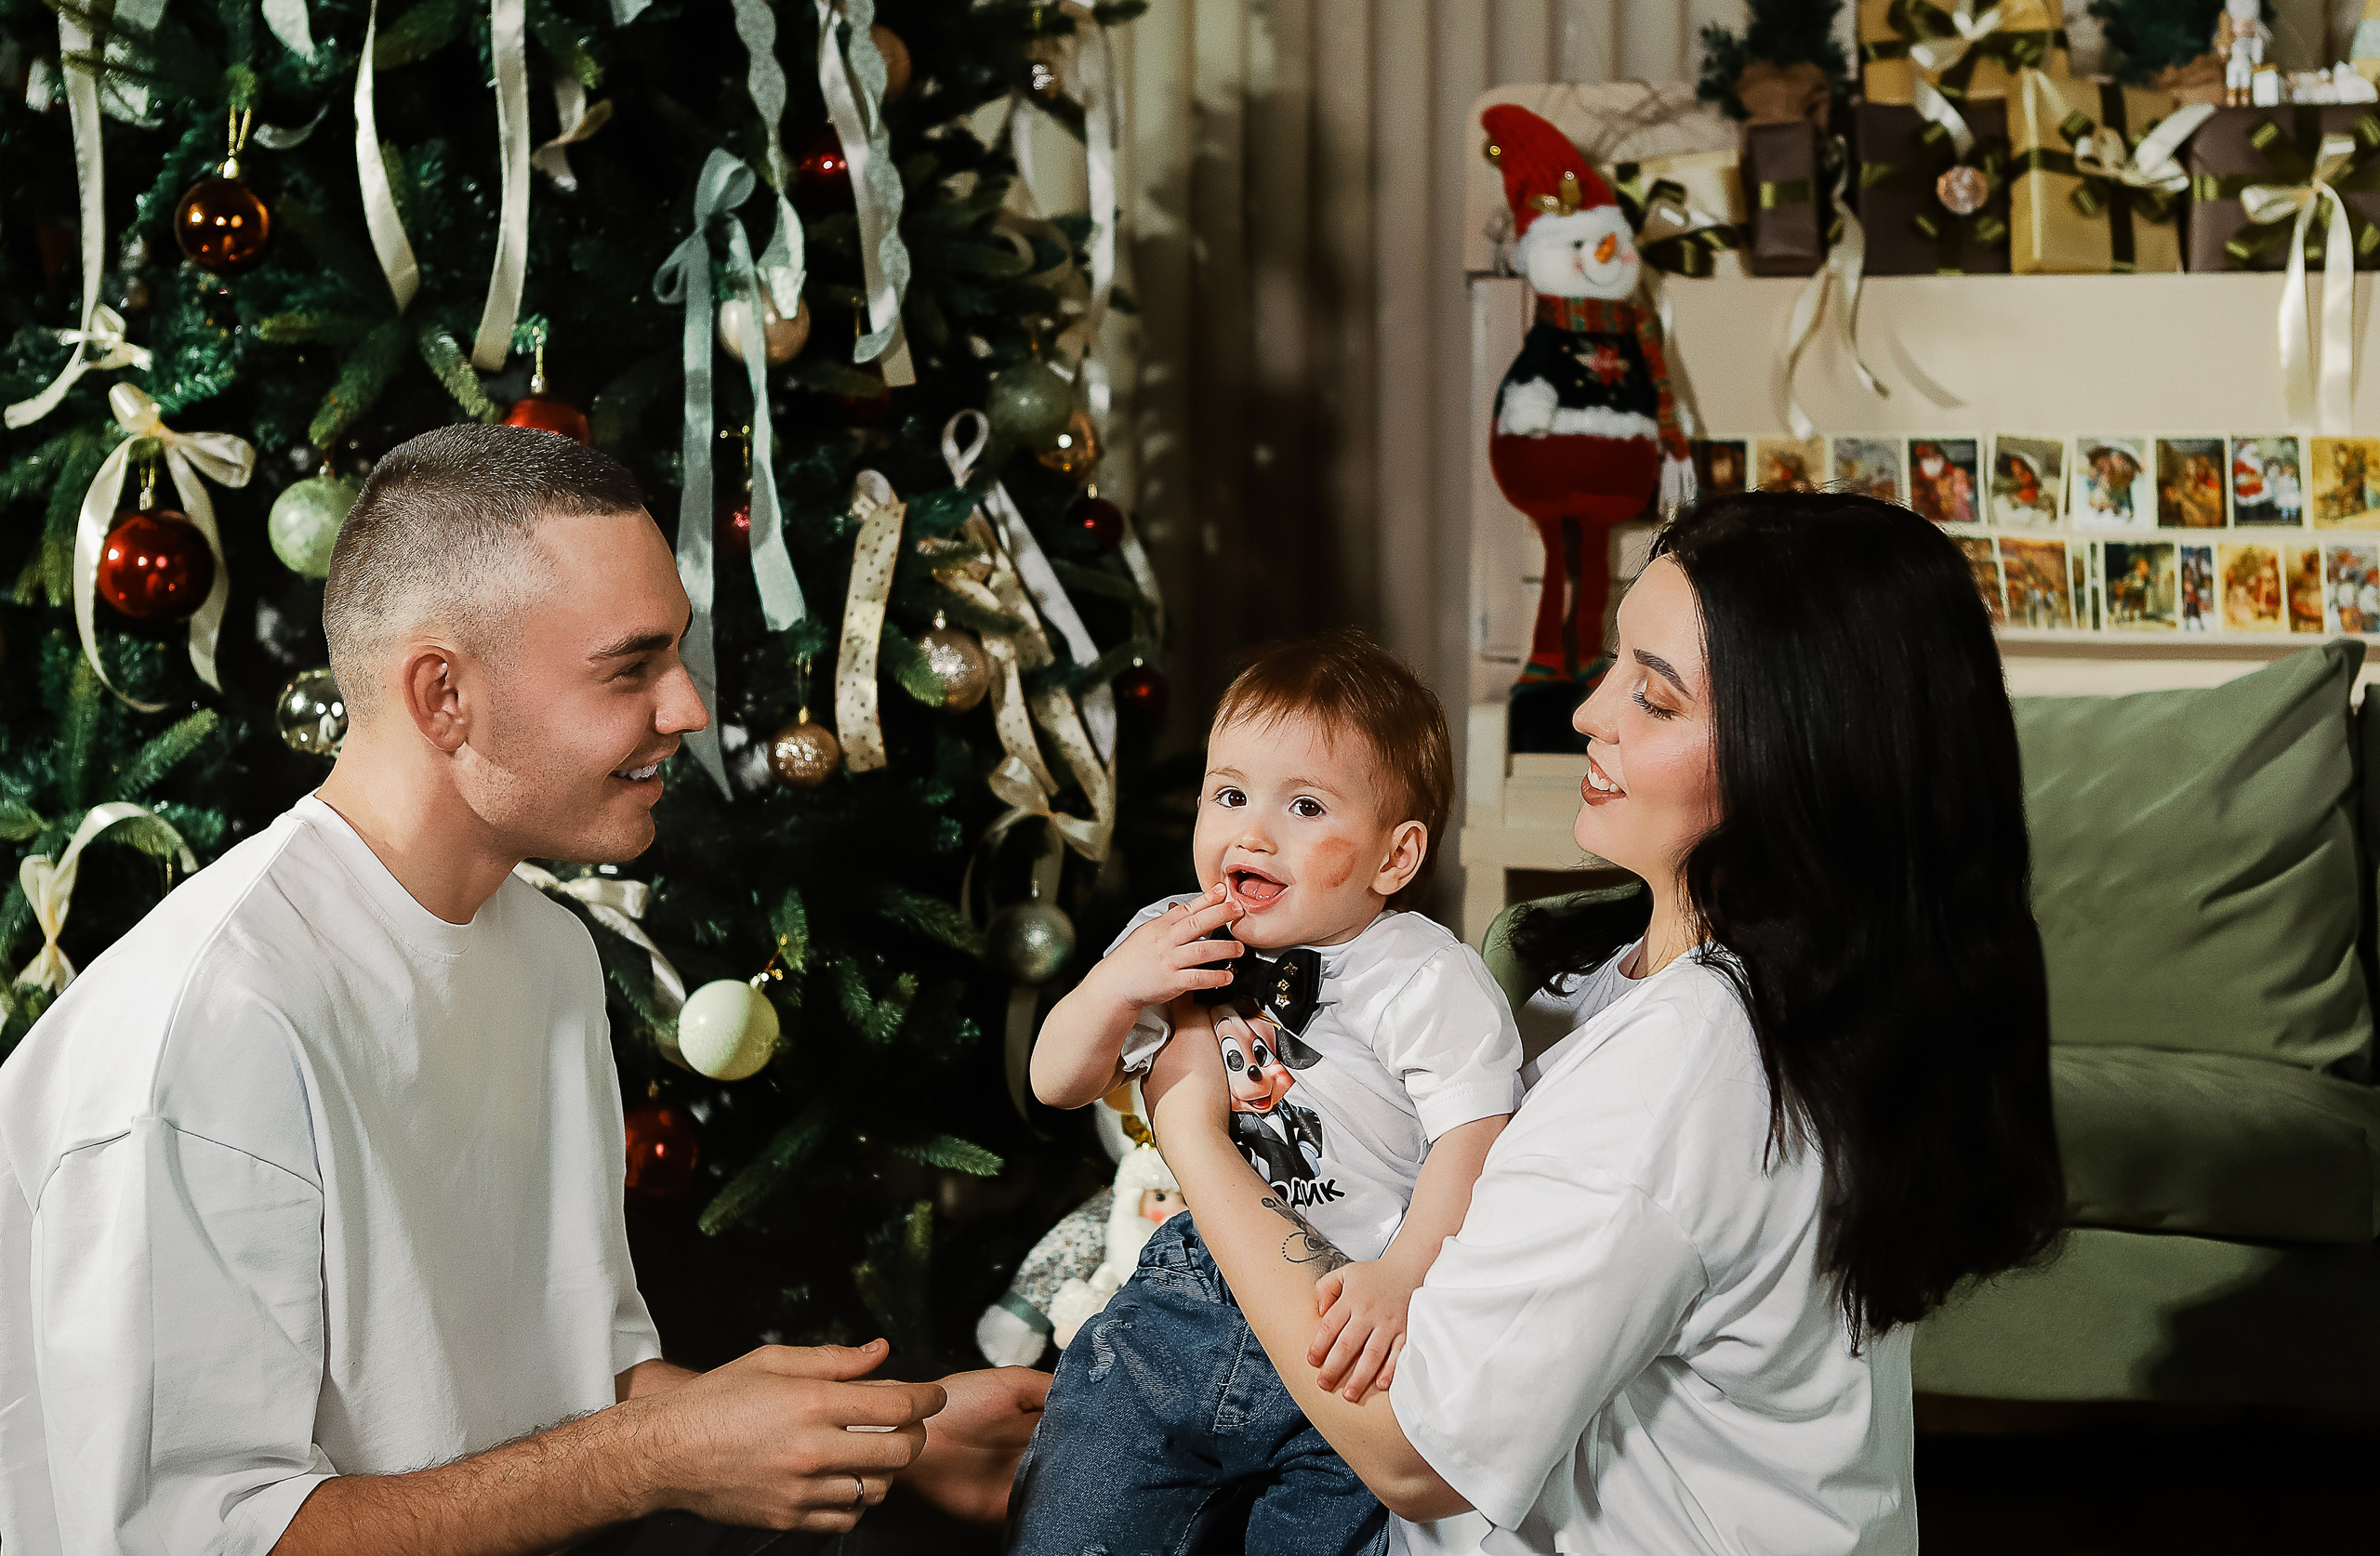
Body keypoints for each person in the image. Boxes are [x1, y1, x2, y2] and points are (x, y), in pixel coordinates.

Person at [0, 425, 1046, 1556]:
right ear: (443, 695)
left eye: (676, 655)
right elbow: (200, 1542)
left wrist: (895, 1436)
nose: (688, 709)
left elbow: (578, 1388)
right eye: (630, 667)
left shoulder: (548, 952)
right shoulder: (211, 1023)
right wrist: (653, 1457)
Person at [1139, 493, 2066, 1554]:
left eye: (1654, 700)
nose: (1588, 713)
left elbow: (1413, 1449)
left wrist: (1189, 1123)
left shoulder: (1693, 1064)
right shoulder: (1665, 987)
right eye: (1613, 665)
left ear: (1797, 758)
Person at [1011, 631, 1523, 1556]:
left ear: (1395, 857)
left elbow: (1474, 1136)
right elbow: (1056, 1080)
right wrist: (1116, 986)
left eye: (1305, 805)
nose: (1250, 833)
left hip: (1345, 1313)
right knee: (1076, 1506)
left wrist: (1403, 1275)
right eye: (1230, 794)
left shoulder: (1421, 974)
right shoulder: (1172, 937)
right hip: (1186, 1290)